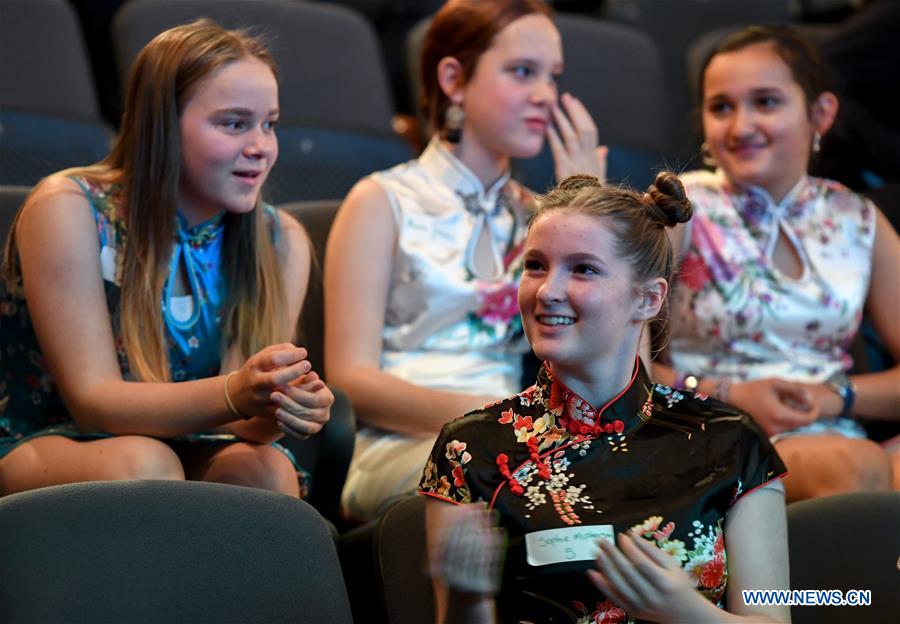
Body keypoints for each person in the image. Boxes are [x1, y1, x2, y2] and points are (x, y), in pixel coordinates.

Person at [421, 173, 790, 624]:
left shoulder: (731, 441)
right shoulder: (471, 448)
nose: (547, 290)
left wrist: (688, 613)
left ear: (648, 299)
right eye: (535, 265)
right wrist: (467, 599)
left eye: (583, 269)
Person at [0, 20, 333, 497]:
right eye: (234, 123)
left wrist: (283, 407)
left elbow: (244, 427)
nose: (261, 147)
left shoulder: (282, 240)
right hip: (53, 438)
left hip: (195, 442)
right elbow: (93, 402)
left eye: (270, 124)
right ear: (161, 126)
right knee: (145, 465)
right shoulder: (68, 208)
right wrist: (234, 393)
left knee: (265, 474)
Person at [326, 0, 607, 521]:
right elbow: (350, 376)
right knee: (510, 480)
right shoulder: (382, 199)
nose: (545, 96)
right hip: (399, 443)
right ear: (454, 79)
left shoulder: (537, 215)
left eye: (553, 76)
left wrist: (584, 207)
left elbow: (602, 348)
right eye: (523, 72)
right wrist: (495, 418)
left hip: (518, 440)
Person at [656, 25, 898, 501]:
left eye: (765, 102)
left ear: (820, 114)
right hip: (711, 433)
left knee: (859, 464)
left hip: (836, 436)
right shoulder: (682, 209)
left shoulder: (857, 218)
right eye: (721, 107)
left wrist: (838, 396)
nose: (741, 126)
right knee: (856, 467)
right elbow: (616, 361)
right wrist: (724, 393)